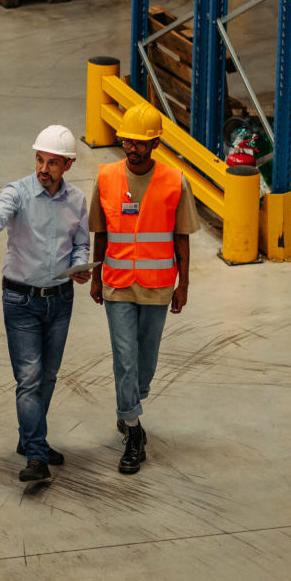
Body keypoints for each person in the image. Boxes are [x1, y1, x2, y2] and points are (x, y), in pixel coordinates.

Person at [0, 125, 90, 484]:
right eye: (39, 159)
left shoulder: (77, 201)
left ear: (67, 165)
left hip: (60, 300)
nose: (43, 168)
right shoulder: (18, 192)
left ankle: (29, 436)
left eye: (52, 162)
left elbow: (80, 243)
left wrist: (80, 268)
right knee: (30, 378)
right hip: (20, 300)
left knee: (47, 377)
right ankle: (36, 454)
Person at [89, 102, 199, 475]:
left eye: (139, 143)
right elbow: (101, 231)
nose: (131, 148)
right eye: (127, 141)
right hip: (117, 284)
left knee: (145, 361)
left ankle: (130, 406)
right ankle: (134, 432)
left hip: (157, 285)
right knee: (124, 356)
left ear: (154, 145)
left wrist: (184, 284)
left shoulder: (174, 181)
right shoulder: (105, 177)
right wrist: (95, 275)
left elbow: (181, 237)